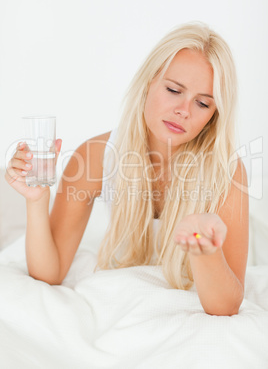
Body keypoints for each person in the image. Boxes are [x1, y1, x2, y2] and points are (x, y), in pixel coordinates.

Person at [5, 21, 249, 316]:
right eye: (173, 90)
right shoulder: (96, 156)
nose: (183, 110)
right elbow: (50, 273)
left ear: (213, 116)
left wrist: (206, 251)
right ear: (149, 81)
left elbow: (227, 305)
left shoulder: (228, 172)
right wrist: (37, 201)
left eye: (202, 103)